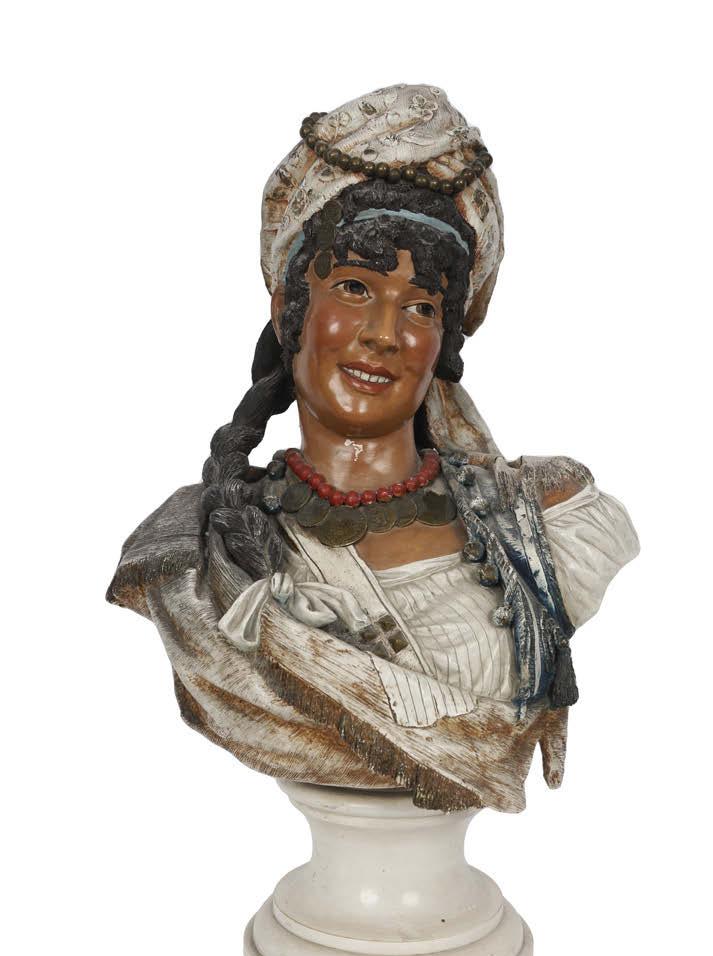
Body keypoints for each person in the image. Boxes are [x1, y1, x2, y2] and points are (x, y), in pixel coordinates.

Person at [108, 84, 638, 812]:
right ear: (289, 311)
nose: (385, 334)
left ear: (442, 344)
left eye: (420, 307)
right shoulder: (198, 554)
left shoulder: (543, 520)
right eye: (355, 288)